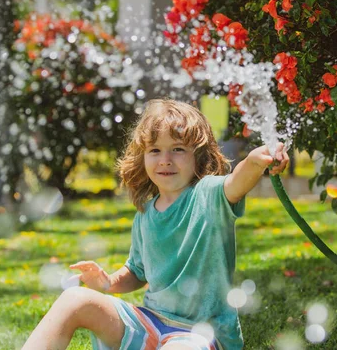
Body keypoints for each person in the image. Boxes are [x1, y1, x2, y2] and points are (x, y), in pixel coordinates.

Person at [22, 99, 289, 350]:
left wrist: (257, 161)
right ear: (143, 157)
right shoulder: (145, 214)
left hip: (199, 333)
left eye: (178, 149)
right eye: (155, 150)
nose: (165, 159)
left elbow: (237, 182)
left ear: (199, 156)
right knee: (74, 300)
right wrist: (107, 282)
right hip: (151, 322)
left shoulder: (208, 195)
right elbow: (137, 271)